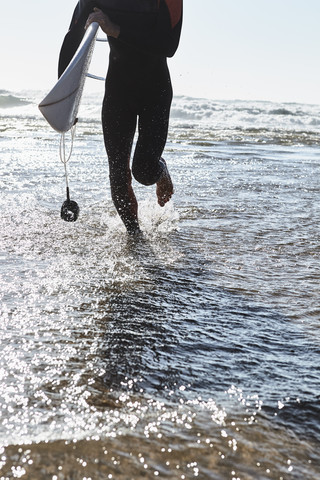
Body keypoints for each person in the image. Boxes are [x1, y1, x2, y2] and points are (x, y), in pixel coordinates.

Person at [58, 0, 183, 234]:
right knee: (118, 175)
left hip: (155, 91)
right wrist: (67, 104)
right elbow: (73, 38)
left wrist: (116, 30)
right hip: (118, 90)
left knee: (144, 171)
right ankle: (135, 237)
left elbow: (168, 45)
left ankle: (160, 171)